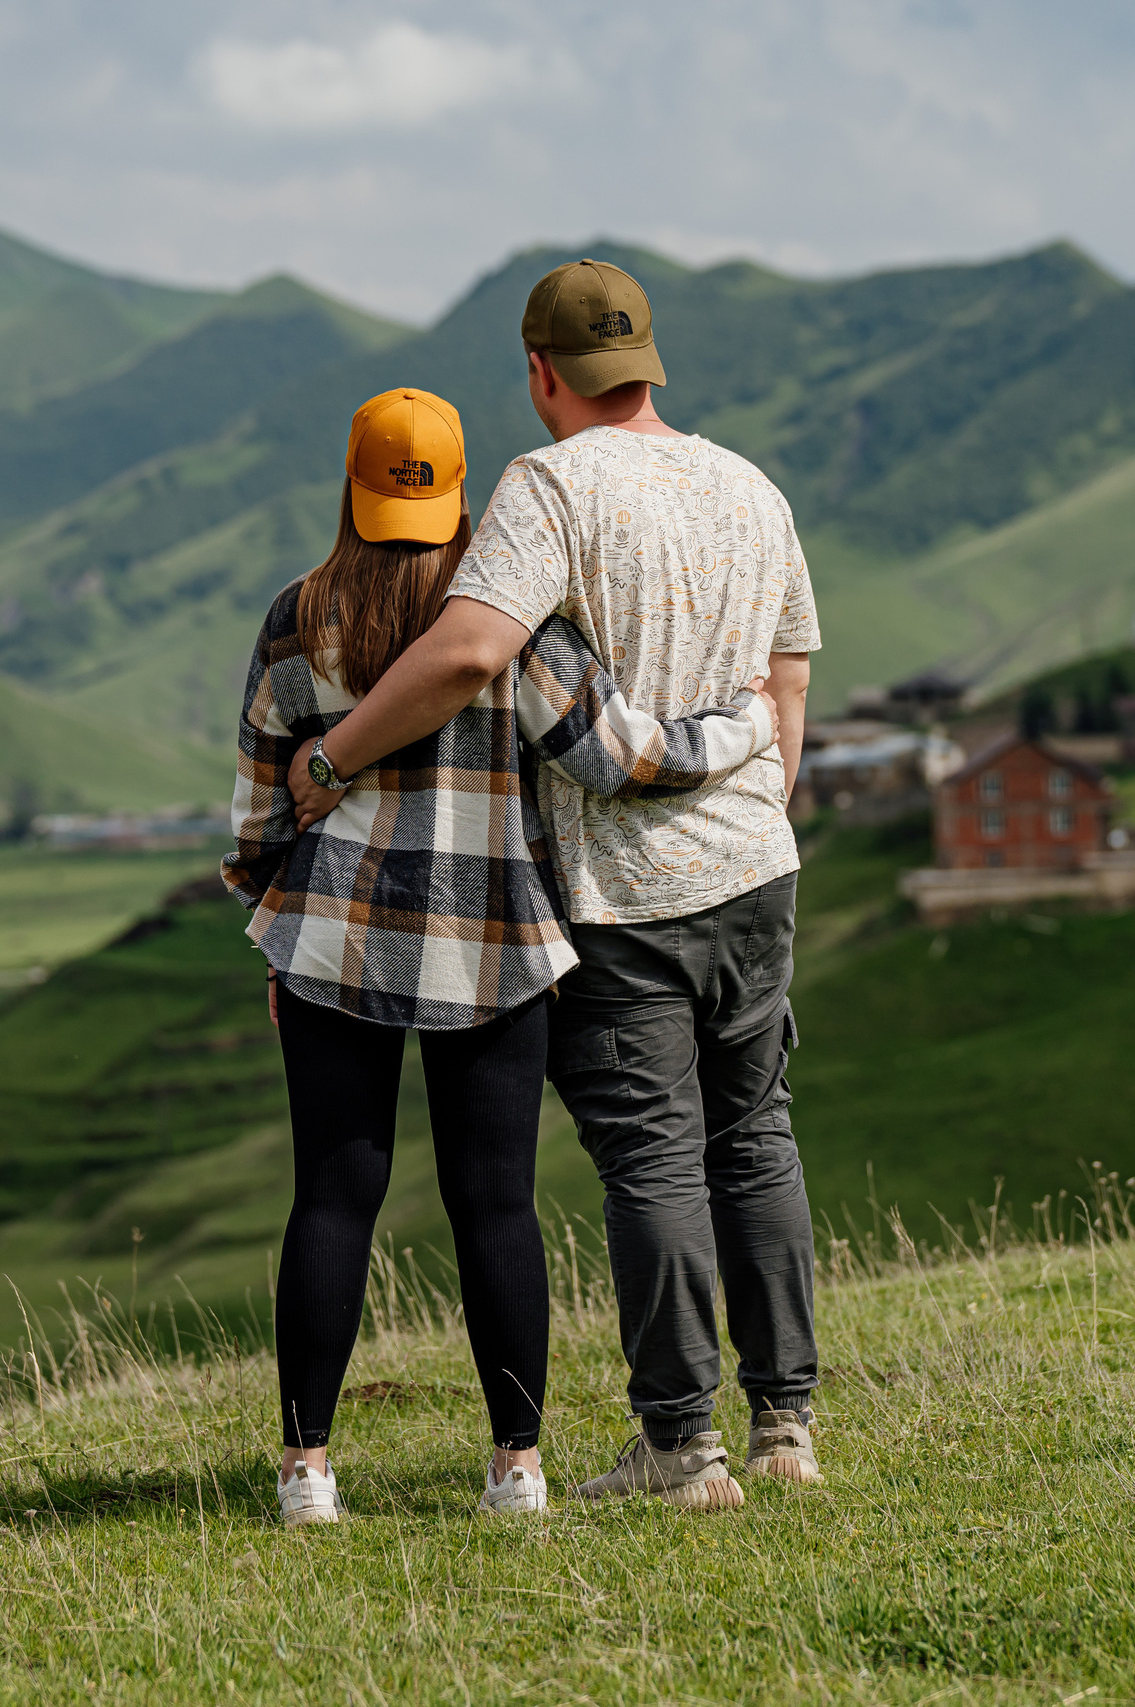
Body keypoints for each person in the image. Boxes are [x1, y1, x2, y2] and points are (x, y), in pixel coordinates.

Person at [287, 261, 824, 1513]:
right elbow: (787, 676)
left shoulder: (550, 485)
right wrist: (759, 804)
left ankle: (682, 1448)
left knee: (653, 1159)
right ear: (648, 361)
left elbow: (472, 645)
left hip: (622, 886)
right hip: (753, 863)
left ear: (540, 372)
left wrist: (334, 757)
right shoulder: (751, 485)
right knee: (758, 1138)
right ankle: (786, 1425)